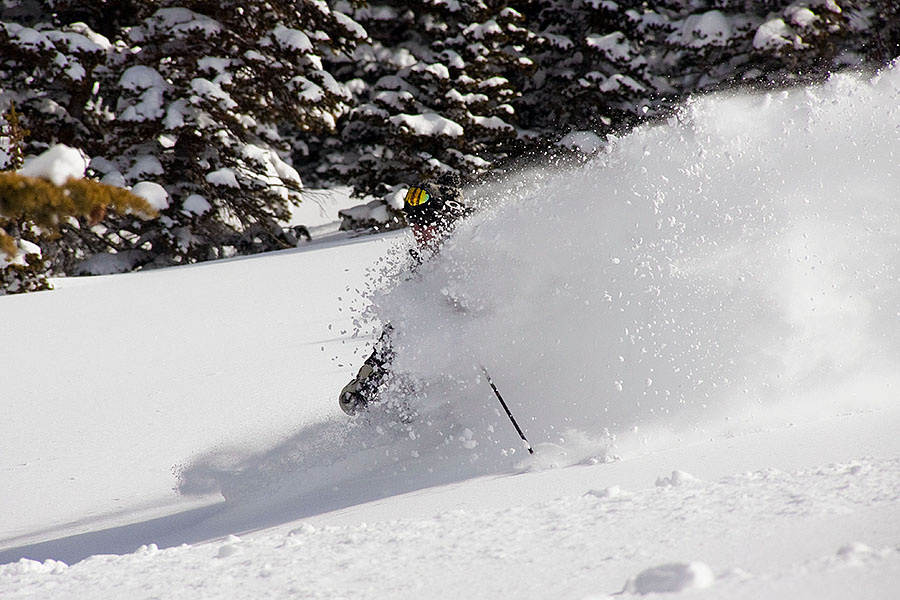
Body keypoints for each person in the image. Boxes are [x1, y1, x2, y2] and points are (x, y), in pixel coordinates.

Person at [338, 173, 469, 415]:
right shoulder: (422, 267)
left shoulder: (477, 248)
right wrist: (369, 378)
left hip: (483, 376)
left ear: (448, 218)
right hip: (438, 380)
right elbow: (399, 331)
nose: (419, 231)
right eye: (414, 224)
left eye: (426, 222)